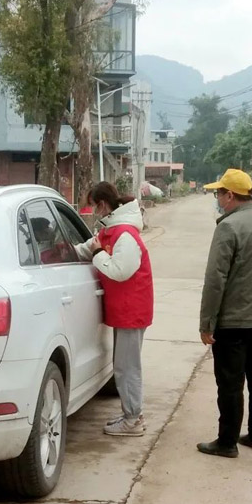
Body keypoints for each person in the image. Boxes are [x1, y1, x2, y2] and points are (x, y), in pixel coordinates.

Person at [197, 169, 252, 458]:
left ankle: (227, 442)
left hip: (233, 321)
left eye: (218, 194)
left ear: (230, 195)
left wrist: (207, 322)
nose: (217, 199)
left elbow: (216, 279)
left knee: (230, 382)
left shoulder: (228, 227)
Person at [75, 182, 153, 437]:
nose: (93, 211)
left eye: (93, 206)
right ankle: (132, 414)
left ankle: (132, 420)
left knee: (127, 367)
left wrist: (98, 253)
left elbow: (119, 271)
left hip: (132, 310)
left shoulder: (125, 234)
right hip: (125, 309)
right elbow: (87, 248)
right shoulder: (112, 230)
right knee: (124, 365)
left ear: (102, 204)